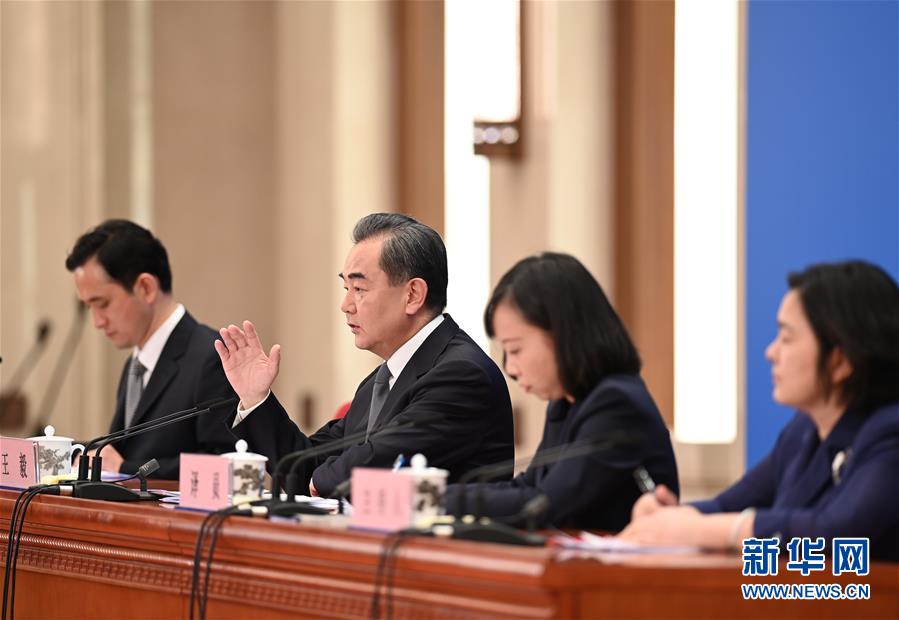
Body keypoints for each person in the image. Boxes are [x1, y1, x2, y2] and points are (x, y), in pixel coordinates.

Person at [219, 213, 514, 498]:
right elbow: (305, 468)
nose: (345, 305)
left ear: (413, 295)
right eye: (346, 287)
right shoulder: (382, 379)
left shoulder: (461, 374)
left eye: (359, 288)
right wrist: (256, 399)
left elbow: (374, 465)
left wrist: (319, 480)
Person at [620, 260, 899, 562]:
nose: (771, 352)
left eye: (787, 338)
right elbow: (727, 506)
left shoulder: (890, 433)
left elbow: (837, 532)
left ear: (840, 361)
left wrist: (712, 530)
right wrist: (667, 516)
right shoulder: (802, 432)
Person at [444, 252, 679, 531]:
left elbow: (542, 505)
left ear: (563, 333)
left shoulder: (616, 403)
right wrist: (441, 495)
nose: (510, 368)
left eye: (515, 349)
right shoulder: (567, 402)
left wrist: (436, 498)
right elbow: (529, 487)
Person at [67, 219, 237, 479]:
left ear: (146, 288)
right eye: (88, 307)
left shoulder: (212, 356)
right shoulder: (135, 363)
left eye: (102, 304)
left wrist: (124, 469)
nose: (97, 322)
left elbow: (227, 466)